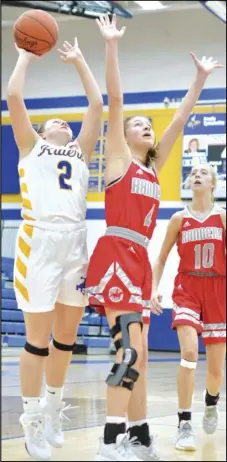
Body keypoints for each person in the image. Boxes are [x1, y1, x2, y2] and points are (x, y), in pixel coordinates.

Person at [86, 14, 224, 462]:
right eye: (138, 124)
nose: (146, 126)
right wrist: (110, 46)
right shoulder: (119, 163)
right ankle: (110, 442)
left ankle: (140, 435)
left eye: (149, 125)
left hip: (139, 262)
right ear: (123, 136)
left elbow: (179, 121)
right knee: (129, 355)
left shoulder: (152, 170)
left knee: (140, 358)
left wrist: (200, 79)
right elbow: (118, 98)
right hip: (114, 257)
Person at [7, 38, 103, 461]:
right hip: (39, 241)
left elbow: (97, 104)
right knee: (38, 340)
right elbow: (13, 95)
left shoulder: (80, 151)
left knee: (66, 338)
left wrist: (80, 60)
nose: (64, 123)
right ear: (42, 131)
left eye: (67, 122)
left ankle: (51, 409)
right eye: (56, 122)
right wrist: (25, 57)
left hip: (76, 242)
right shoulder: (31, 146)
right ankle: (30, 421)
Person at [151, 163, 226, 451]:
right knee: (190, 353)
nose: (197, 174)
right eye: (193, 172)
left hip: (218, 289)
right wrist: (153, 288)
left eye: (204, 172)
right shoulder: (178, 219)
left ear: (213, 185)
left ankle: (211, 401)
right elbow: (160, 258)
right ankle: (184, 423)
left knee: (216, 371)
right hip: (187, 288)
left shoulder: (222, 218)